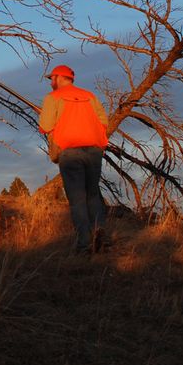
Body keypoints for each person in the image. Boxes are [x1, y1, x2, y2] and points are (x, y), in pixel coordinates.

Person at [38, 64, 110, 253]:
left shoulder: (52, 97)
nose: (51, 82)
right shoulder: (90, 96)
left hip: (70, 152)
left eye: (51, 78)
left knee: (77, 199)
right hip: (94, 151)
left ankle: (84, 245)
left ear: (59, 78)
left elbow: (45, 125)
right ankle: (100, 235)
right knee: (93, 194)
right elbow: (103, 121)